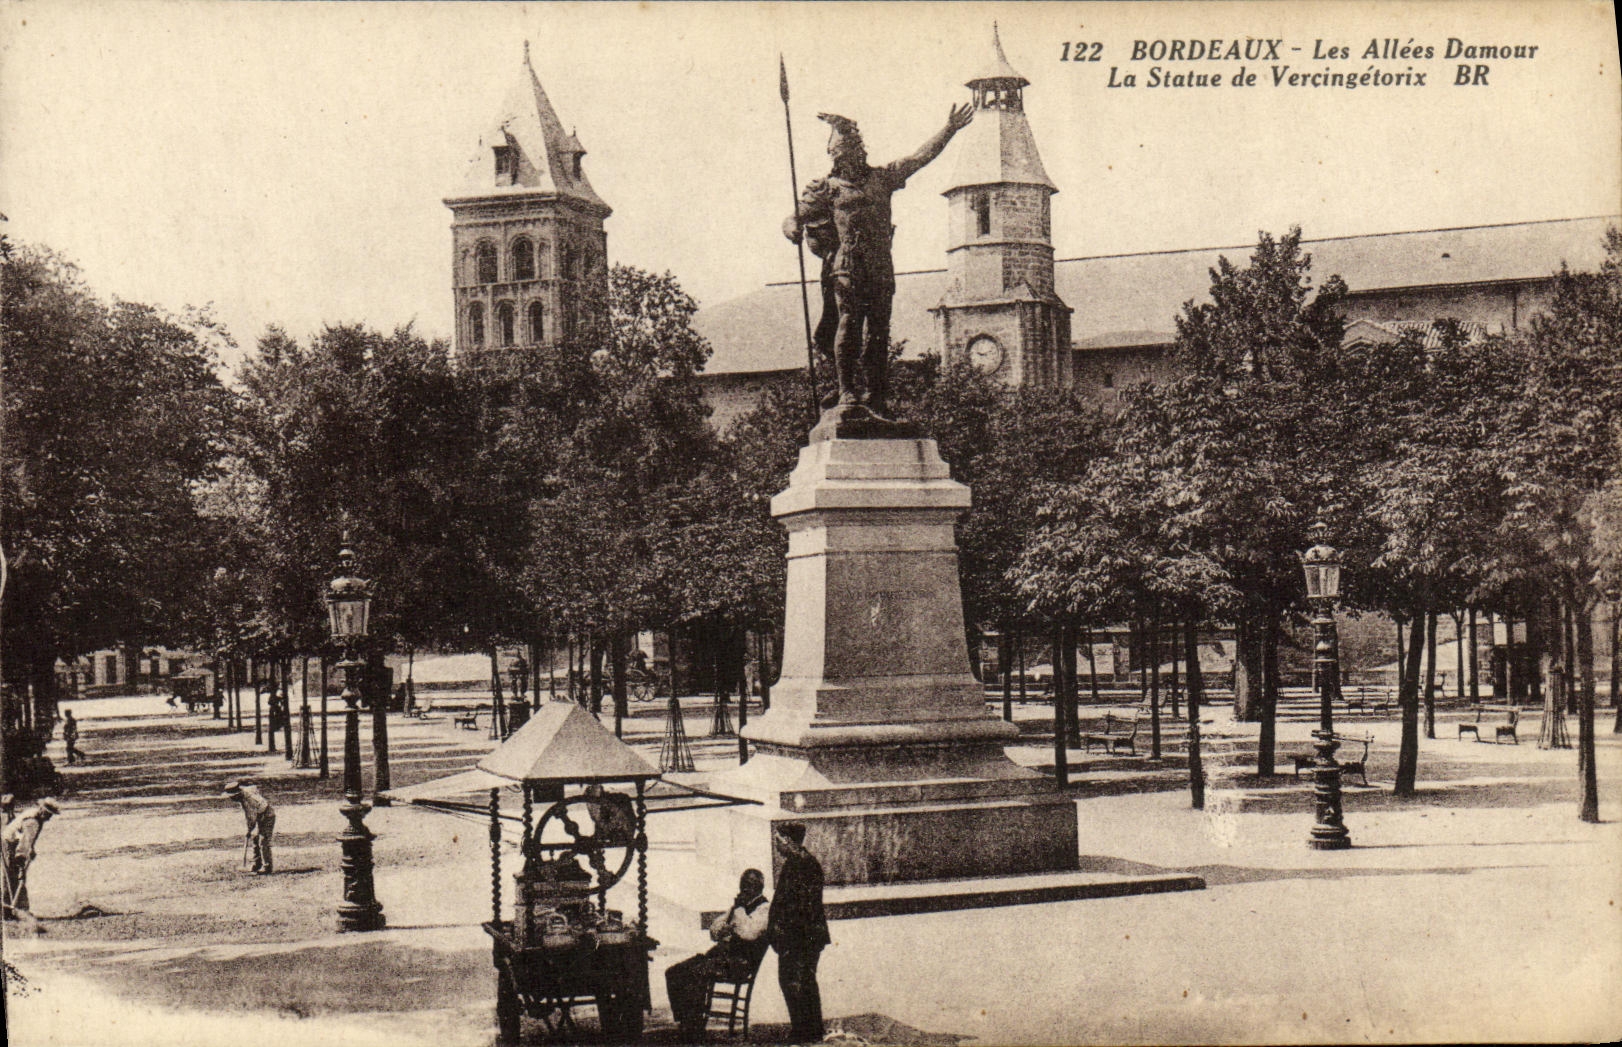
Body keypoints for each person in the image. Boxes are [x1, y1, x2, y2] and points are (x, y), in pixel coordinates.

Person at [783, 104, 973, 417]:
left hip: (881, 267)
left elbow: (919, 158)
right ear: (836, 157)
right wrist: (792, 228)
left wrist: (949, 129)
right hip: (848, 266)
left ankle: (876, 395)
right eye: (843, 154)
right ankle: (847, 390)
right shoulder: (827, 189)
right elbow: (794, 216)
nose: (850, 158)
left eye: (854, 152)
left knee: (879, 332)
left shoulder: (882, 178)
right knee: (849, 323)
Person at [665, 868, 770, 1042]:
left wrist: (738, 912)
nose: (745, 888)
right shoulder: (737, 907)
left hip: (739, 963)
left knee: (696, 972)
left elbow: (748, 933)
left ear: (759, 887)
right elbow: (715, 929)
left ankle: (694, 1027)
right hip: (720, 957)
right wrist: (723, 928)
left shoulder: (764, 908)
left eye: (750, 884)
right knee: (675, 972)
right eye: (743, 884)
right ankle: (686, 1020)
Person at [767, 823, 830, 1043]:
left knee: (797, 982)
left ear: (788, 841)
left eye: (778, 841)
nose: (776, 846)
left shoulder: (803, 865)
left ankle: (805, 1031)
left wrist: (784, 933)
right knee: (800, 982)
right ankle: (808, 1029)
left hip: (800, 938)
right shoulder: (797, 863)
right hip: (799, 937)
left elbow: (801, 908)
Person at [3, 798, 60, 919]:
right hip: (9, 843)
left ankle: (14, 909)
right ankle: (14, 910)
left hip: (13, 842)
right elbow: (24, 843)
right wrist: (21, 861)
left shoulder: (36, 816)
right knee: (14, 876)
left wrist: (31, 849)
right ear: (42, 810)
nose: (49, 818)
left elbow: (29, 839)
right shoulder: (33, 821)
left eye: (51, 814)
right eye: (48, 814)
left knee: (13, 876)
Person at [224, 780, 275, 874]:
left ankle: (267, 867)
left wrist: (249, 830)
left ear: (237, 795)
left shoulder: (248, 801)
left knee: (263, 841)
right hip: (260, 814)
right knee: (255, 839)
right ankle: (257, 864)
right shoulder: (246, 791)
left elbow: (251, 819)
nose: (232, 799)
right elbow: (254, 788)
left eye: (232, 797)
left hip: (268, 816)